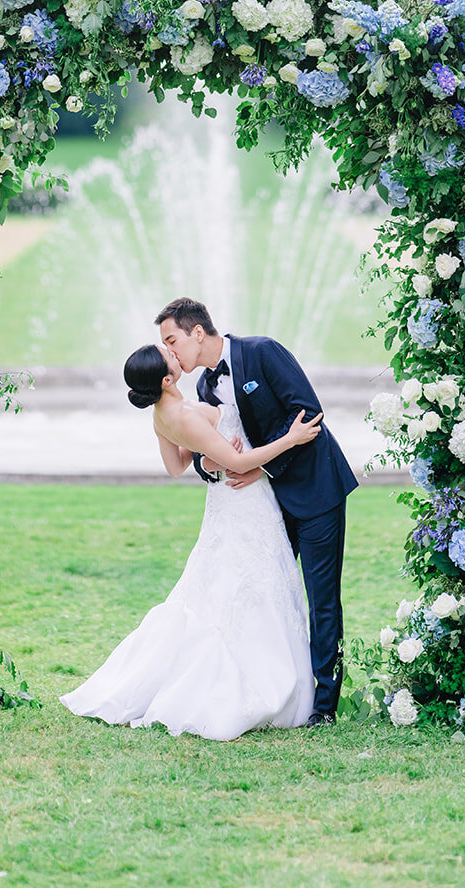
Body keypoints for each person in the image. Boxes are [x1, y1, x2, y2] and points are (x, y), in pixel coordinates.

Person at [60, 337, 322, 740]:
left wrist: (205, 455)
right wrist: (289, 440)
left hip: (221, 503)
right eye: (168, 354)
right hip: (242, 498)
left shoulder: (161, 414)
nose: (175, 353)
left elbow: (175, 465)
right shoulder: (180, 411)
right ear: (166, 379)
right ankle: (254, 681)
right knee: (253, 583)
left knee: (223, 584)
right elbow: (236, 463)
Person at [157, 296, 358, 726]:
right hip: (262, 509)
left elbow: (307, 413)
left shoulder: (262, 351)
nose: (170, 353)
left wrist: (262, 466)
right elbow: (200, 455)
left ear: (197, 332)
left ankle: (324, 705)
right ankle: (268, 689)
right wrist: (214, 465)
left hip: (314, 490)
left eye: (172, 340)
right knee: (267, 596)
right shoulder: (202, 389)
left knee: (321, 601)